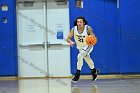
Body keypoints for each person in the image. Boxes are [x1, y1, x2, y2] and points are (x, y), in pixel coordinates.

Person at [66, 16, 98, 82]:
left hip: (88, 46)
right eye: (78, 22)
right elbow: (67, 38)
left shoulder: (88, 28)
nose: (79, 23)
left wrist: (91, 38)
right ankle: (94, 71)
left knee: (80, 56)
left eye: (80, 22)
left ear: (84, 23)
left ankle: (77, 74)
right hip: (80, 47)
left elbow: (93, 37)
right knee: (86, 58)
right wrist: (71, 42)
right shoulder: (73, 29)